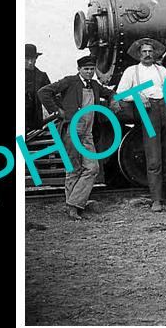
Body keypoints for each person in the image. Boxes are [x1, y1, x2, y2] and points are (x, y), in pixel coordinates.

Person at [38, 55, 114, 221]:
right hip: (72, 129)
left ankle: (73, 204)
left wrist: (113, 100)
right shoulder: (70, 81)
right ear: (79, 69)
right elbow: (43, 92)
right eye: (86, 69)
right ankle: (73, 208)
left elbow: (110, 93)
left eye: (91, 69)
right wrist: (58, 111)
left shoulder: (94, 85)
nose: (89, 72)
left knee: (93, 168)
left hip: (87, 133)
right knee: (74, 168)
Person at [115, 38, 166, 213]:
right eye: (144, 52)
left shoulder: (162, 70)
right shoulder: (132, 71)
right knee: (153, 157)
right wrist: (138, 95)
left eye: (150, 52)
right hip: (148, 111)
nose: (147, 55)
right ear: (139, 54)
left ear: (154, 53)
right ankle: (156, 200)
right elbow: (120, 93)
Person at [25, 44, 52, 134]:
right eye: (26, 59)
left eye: (32, 59)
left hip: (35, 123)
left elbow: (52, 96)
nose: (30, 62)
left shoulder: (42, 76)